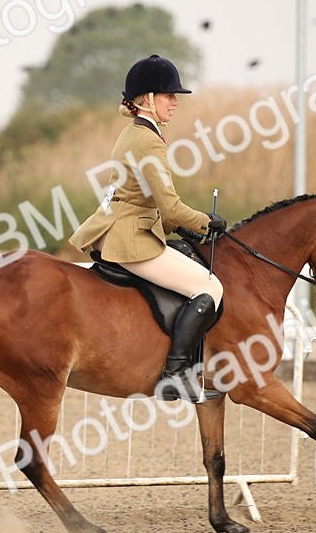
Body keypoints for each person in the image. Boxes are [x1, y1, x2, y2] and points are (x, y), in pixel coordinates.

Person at [69, 55, 226, 402]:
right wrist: (207, 222)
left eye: (175, 96)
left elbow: (151, 201)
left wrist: (178, 229)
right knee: (210, 288)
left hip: (121, 228)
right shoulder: (149, 141)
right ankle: (175, 374)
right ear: (146, 100)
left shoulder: (133, 132)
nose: (175, 103)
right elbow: (169, 204)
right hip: (132, 241)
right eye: (168, 95)